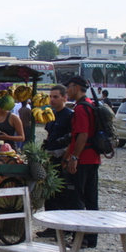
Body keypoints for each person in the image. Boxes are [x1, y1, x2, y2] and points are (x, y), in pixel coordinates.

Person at [64, 75, 101, 248]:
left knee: (77, 198)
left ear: (77, 87)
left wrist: (74, 158)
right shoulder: (90, 104)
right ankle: (91, 238)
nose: (67, 91)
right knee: (91, 199)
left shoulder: (80, 109)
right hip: (93, 157)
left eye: (69, 87)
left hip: (83, 159)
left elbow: (83, 134)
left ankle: (80, 238)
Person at [36, 85, 74, 238]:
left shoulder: (69, 115)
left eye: (56, 97)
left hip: (62, 158)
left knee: (63, 193)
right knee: (50, 193)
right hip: (50, 157)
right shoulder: (50, 114)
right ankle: (51, 226)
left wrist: (67, 156)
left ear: (65, 98)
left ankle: (65, 227)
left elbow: (73, 137)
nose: (52, 100)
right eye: (51, 96)